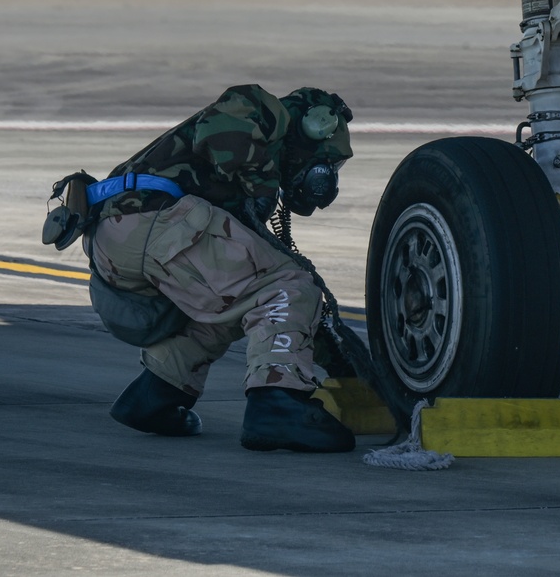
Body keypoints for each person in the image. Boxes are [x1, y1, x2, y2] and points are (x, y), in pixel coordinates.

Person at [84, 84, 356, 453]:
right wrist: (263, 188)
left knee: (233, 305)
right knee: (287, 287)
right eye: (328, 162)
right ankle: (276, 405)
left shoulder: (238, 172)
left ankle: (155, 395)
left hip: (119, 236)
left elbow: (292, 324)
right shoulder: (263, 109)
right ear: (314, 127)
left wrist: (351, 372)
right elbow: (220, 129)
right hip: (156, 220)